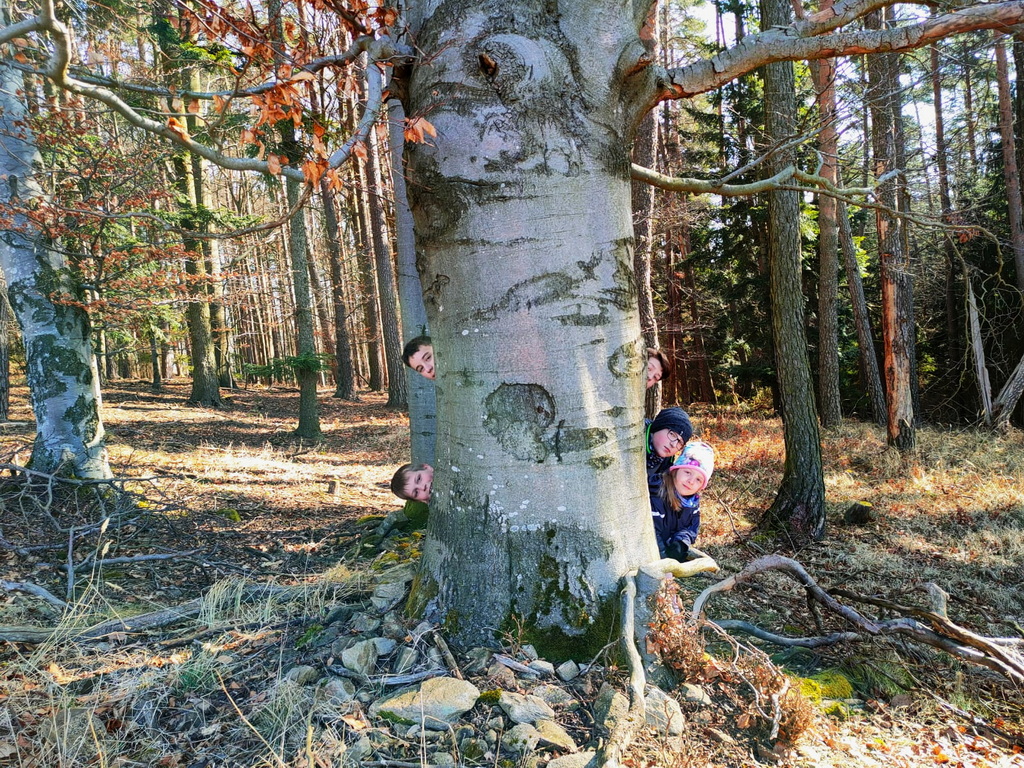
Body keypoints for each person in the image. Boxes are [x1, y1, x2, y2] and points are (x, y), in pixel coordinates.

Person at [652, 441, 714, 560]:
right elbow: (652, 534)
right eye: (687, 472)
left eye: (698, 479)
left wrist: (680, 542)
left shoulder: (692, 503)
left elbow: (691, 528)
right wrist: (665, 558)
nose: (691, 481)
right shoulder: (657, 495)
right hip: (653, 555)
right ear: (675, 471)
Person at [645, 406, 693, 497]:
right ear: (658, 426)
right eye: (672, 434)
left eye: (680, 442)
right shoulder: (630, 439)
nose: (673, 444)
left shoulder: (667, 462)